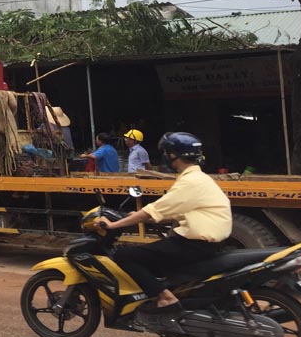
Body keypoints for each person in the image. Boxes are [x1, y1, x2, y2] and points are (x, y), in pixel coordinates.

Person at [98, 132, 232, 326]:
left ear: (173, 155)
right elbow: (171, 211)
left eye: (167, 152)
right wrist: (135, 218)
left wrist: (113, 225)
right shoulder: (198, 178)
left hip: (192, 245)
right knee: (153, 255)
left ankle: (165, 298)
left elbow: (152, 210)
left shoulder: (190, 182)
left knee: (125, 256)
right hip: (203, 244)